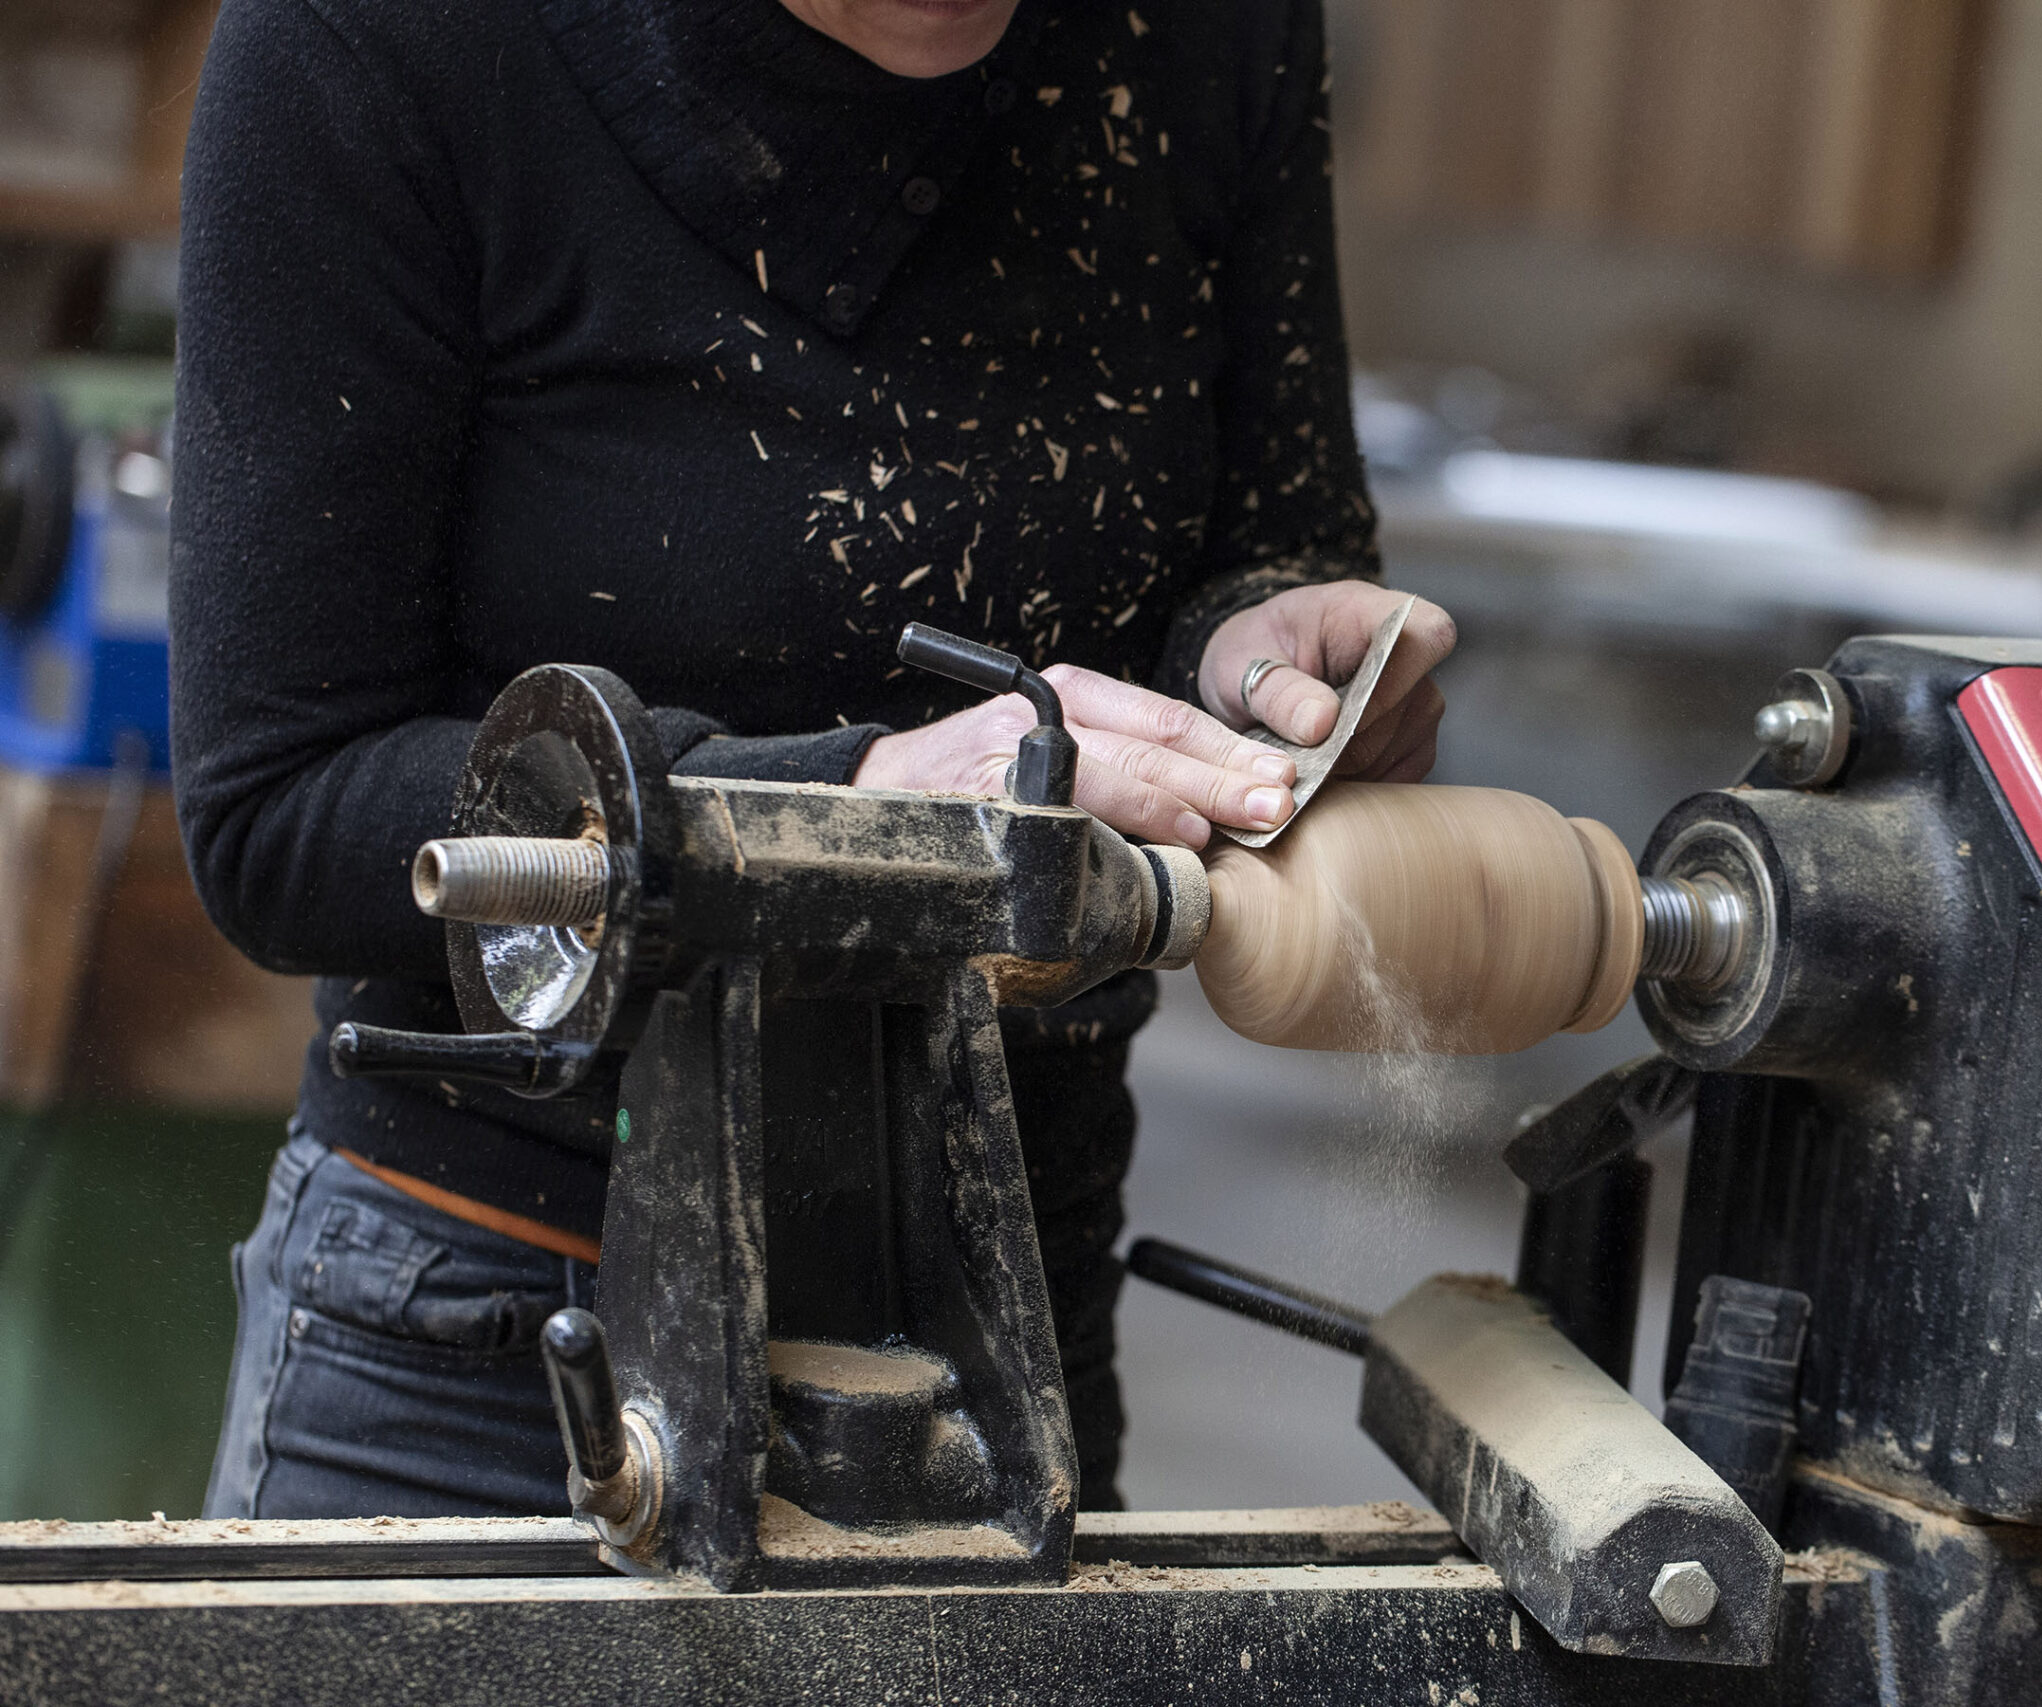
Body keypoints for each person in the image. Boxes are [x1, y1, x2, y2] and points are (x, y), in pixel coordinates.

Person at [170, 0, 1454, 1519]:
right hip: (499, 1337)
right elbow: (280, 810)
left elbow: (1262, 546)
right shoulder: (379, 41)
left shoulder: (1211, 34)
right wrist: (851, 816)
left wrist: (1265, 659)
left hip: (1004, 1326)